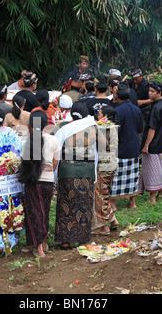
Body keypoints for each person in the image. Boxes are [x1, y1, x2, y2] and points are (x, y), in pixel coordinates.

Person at [54, 102, 98, 249]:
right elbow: (96, 153)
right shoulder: (93, 127)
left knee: (65, 204)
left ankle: (65, 240)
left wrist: (55, 174)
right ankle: (83, 239)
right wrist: (95, 172)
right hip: (86, 170)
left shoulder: (64, 129)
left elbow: (57, 153)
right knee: (84, 205)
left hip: (68, 170)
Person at [19, 111, 61, 257]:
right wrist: (48, 172)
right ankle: (42, 243)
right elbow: (55, 162)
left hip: (33, 182)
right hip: (48, 181)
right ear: (46, 124)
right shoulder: (53, 140)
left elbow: (24, 164)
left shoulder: (28, 142)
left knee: (34, 213)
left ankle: (38, 248)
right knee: (45, 211)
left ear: (30, 124)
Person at [109, 83, 143, 210]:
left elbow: (115, 133)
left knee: (116, 176)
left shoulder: (117, 111)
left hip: (121, 148)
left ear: (117, 96)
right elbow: (140, 130)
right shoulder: (136, 109)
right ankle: (132, 202)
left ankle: (112, 203)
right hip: (133, 146)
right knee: (133, 175)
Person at [138, 81, 162, 203]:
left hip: (153, 144)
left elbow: (152, 128)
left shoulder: (156, 108)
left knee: (152, 171)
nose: (149, 93)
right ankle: (161, 193)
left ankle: (152, 198)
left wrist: (146, 145)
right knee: (161, 168)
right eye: (149, 91)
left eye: (152, 91)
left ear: (159, 93)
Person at [91, 105, 119, 235]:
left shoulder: (103, 128)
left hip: (103, 166)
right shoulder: (113, 127)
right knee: (105, 193)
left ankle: (103, 227)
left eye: (100, 113)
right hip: (112, 164)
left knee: (99, 196)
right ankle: (113, 220)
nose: (98, 115)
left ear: (105, 117)